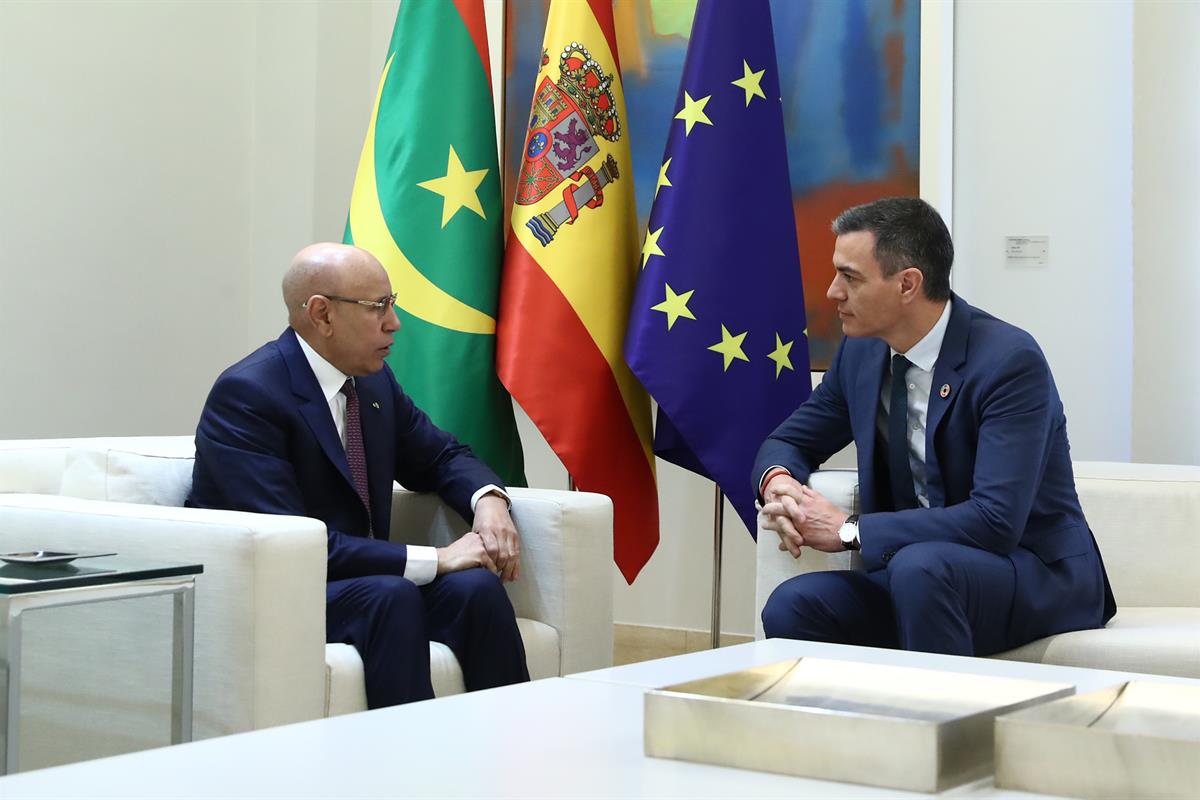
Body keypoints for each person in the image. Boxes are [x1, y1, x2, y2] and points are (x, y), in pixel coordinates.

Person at [754, 197, 1115, 656]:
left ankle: (942, 726)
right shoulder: (862, 354)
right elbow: (789, 439)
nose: (832, 292)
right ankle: (851, 726)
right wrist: (779, 483)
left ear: (907, 284)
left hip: (1031, 572)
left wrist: (849, 530)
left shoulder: (1008, 361)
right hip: (918, 573)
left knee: (920, 568)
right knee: (793, 605)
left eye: (850, 277)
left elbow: (995, 521)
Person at [187, 242, 529, 707]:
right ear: (321, 314)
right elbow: (294, 542)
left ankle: (513, 749)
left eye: (392, 304)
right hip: (281, 589)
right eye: (378, 308)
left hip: (362, 581)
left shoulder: (372, 382)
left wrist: (489, 502)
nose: (394, 323)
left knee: (475, 589)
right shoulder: (248, 394)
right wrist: (438, 557)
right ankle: (403, 767)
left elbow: (442, 455)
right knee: (390, 596)